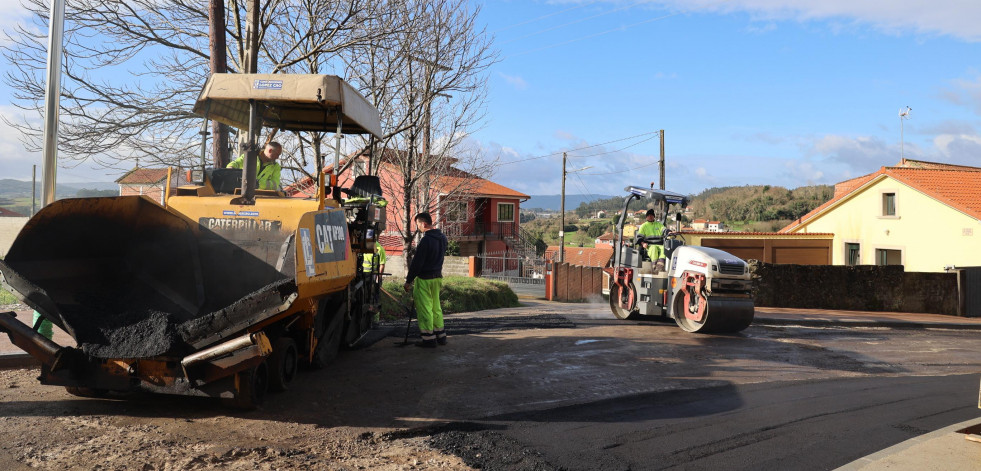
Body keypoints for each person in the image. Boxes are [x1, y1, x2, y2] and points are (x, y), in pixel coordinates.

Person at [403, 212, 448, 348]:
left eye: (418, 225)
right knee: (436, 307)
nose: (418, 228)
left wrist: (408, 280)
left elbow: (417, 263)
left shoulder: (426, 240)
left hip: (425, 279)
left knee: (425, 309)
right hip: (437, 277)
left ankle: (428, 339)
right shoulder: (442, 238)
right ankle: (441, 336)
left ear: (423, 223)